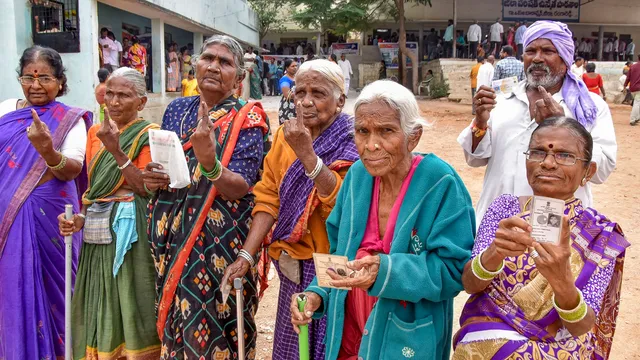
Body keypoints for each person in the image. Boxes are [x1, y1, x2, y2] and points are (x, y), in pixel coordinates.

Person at [290, 80, 475, 360]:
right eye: (362, 132)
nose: (371, 145)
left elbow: (453, 270)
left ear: (413, 136)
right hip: (349, 332)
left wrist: (387, 270)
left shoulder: (440, 182)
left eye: (386, 131)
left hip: (406, 337)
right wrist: (317, 293)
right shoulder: (356, 177)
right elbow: (339, 253)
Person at [453, 117, 629, 360]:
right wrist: (494, 253)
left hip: (561, 348)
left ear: (588, 171)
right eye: (537, 152)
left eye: (565, 155)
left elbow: (581, 326)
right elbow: (470, 284)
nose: (547, 163)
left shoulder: (599, 236)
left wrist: (562, 281)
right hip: (488, 338)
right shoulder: (505, 209)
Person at [143, 35, 270, 358]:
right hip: (174, 237)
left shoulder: (249, 118)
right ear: (195, 66)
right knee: (178, 321)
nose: (213, 66)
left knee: (220, 320)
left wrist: (210, 163)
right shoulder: (177, 110)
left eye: (225, 62)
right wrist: (154, 177)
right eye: (207, 58)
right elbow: (170, 167)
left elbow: (240, 186)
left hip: (219, 242)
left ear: (239, 78)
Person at [222, 59, 357, 360]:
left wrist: (308, 155)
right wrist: (247, 254)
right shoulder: (286, 135)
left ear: (340, 101)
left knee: (330, 346)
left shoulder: (353, 140)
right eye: (300, 92)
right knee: (292, 347)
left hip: (335, 264)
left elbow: (346, 206)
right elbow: (268, 196)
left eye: (318, 93)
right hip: (292, 262)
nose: (306, 102)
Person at [458, 20, 617, 225]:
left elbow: (601, 171)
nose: (537, 59)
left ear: (565, 57)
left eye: (548, 51)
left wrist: (562, 125)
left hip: (555, 224)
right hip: (497, 224)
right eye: (531, 51)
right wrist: (480, 122)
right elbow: (474, 159)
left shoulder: (589, 107)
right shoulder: (502, 100)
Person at [58, 67, 161, 359]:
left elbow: (144, 188)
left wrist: (116, 149)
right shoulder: (95, 133)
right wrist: (78, 219)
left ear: (141, 103)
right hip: (96, 233)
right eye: (110, 94)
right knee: (99, 300)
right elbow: (95, 189)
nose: (114, 102)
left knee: (130, 298)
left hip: (132, 233)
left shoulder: (150, 135)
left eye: (124, 96)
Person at [0, 45, 92, 359]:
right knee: (11, 290)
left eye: (45, 78)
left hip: (51, 219)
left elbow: (73, 168)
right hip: (5, 218)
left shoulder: (70, 119)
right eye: (29, 77)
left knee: (58, 292)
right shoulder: (5, 111)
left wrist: (46, 150)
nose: (36, 85)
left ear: (60, 82)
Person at [279, 58, 298, 124]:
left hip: (297, 106)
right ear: (287, 68)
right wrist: (300, 95)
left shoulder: (297, 77)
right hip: (288, 107)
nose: (295, 68)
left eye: (296, 66)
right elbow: (287, 95)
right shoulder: (284, 79)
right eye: (292, 66)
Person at [624, 58, 640, 125]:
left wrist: (625, 85)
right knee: (637, 103)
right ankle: (633, 119)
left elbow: (628, 77)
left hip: (632, 88)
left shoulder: (632, 66)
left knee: (637, 103)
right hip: (639, 88)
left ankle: (637, 118)